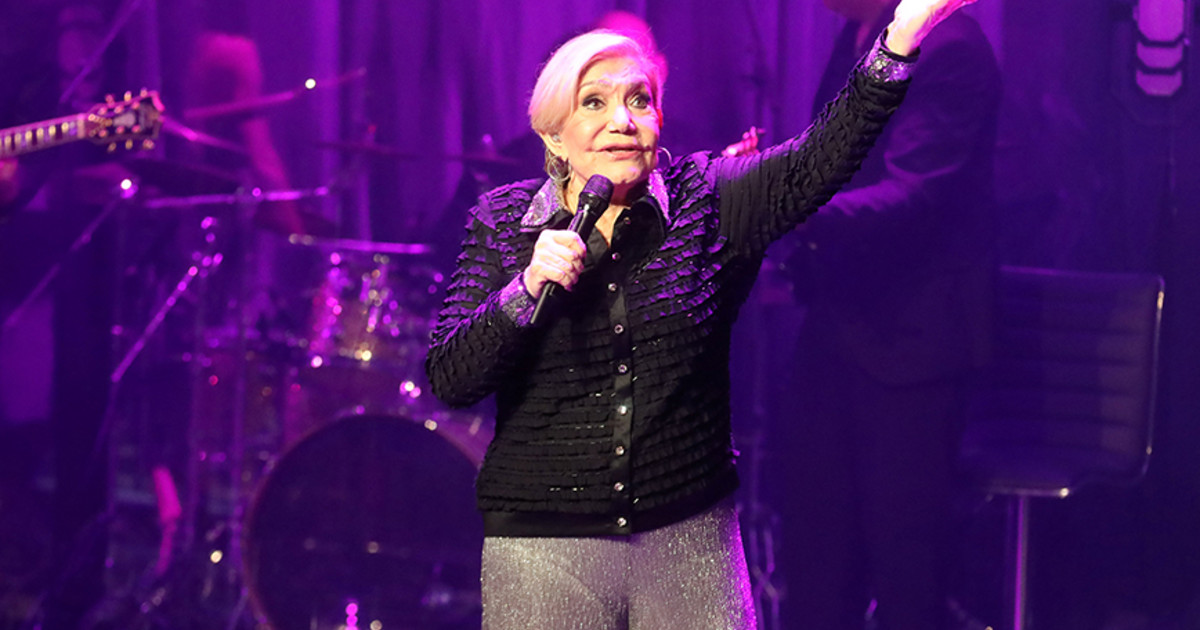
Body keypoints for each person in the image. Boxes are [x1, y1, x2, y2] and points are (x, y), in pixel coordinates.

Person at [425, 1, 980, 628]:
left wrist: (899, 41)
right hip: (545, 547)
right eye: (594, 103)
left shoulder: (708, 202)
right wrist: (524, 289)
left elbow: (819, 158)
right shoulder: (505, 223)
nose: (621, 121)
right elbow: (452, 378)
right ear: (554, 135)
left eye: (639, 100)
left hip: (686, 542)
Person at [771, 0, 1001, 628]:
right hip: (838, 328)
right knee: (817, 560)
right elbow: (830, 163)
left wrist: (785, 208)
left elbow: (914, 194)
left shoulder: (952, 47)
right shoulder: (857, 37)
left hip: (914, 346)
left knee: (906, 571)